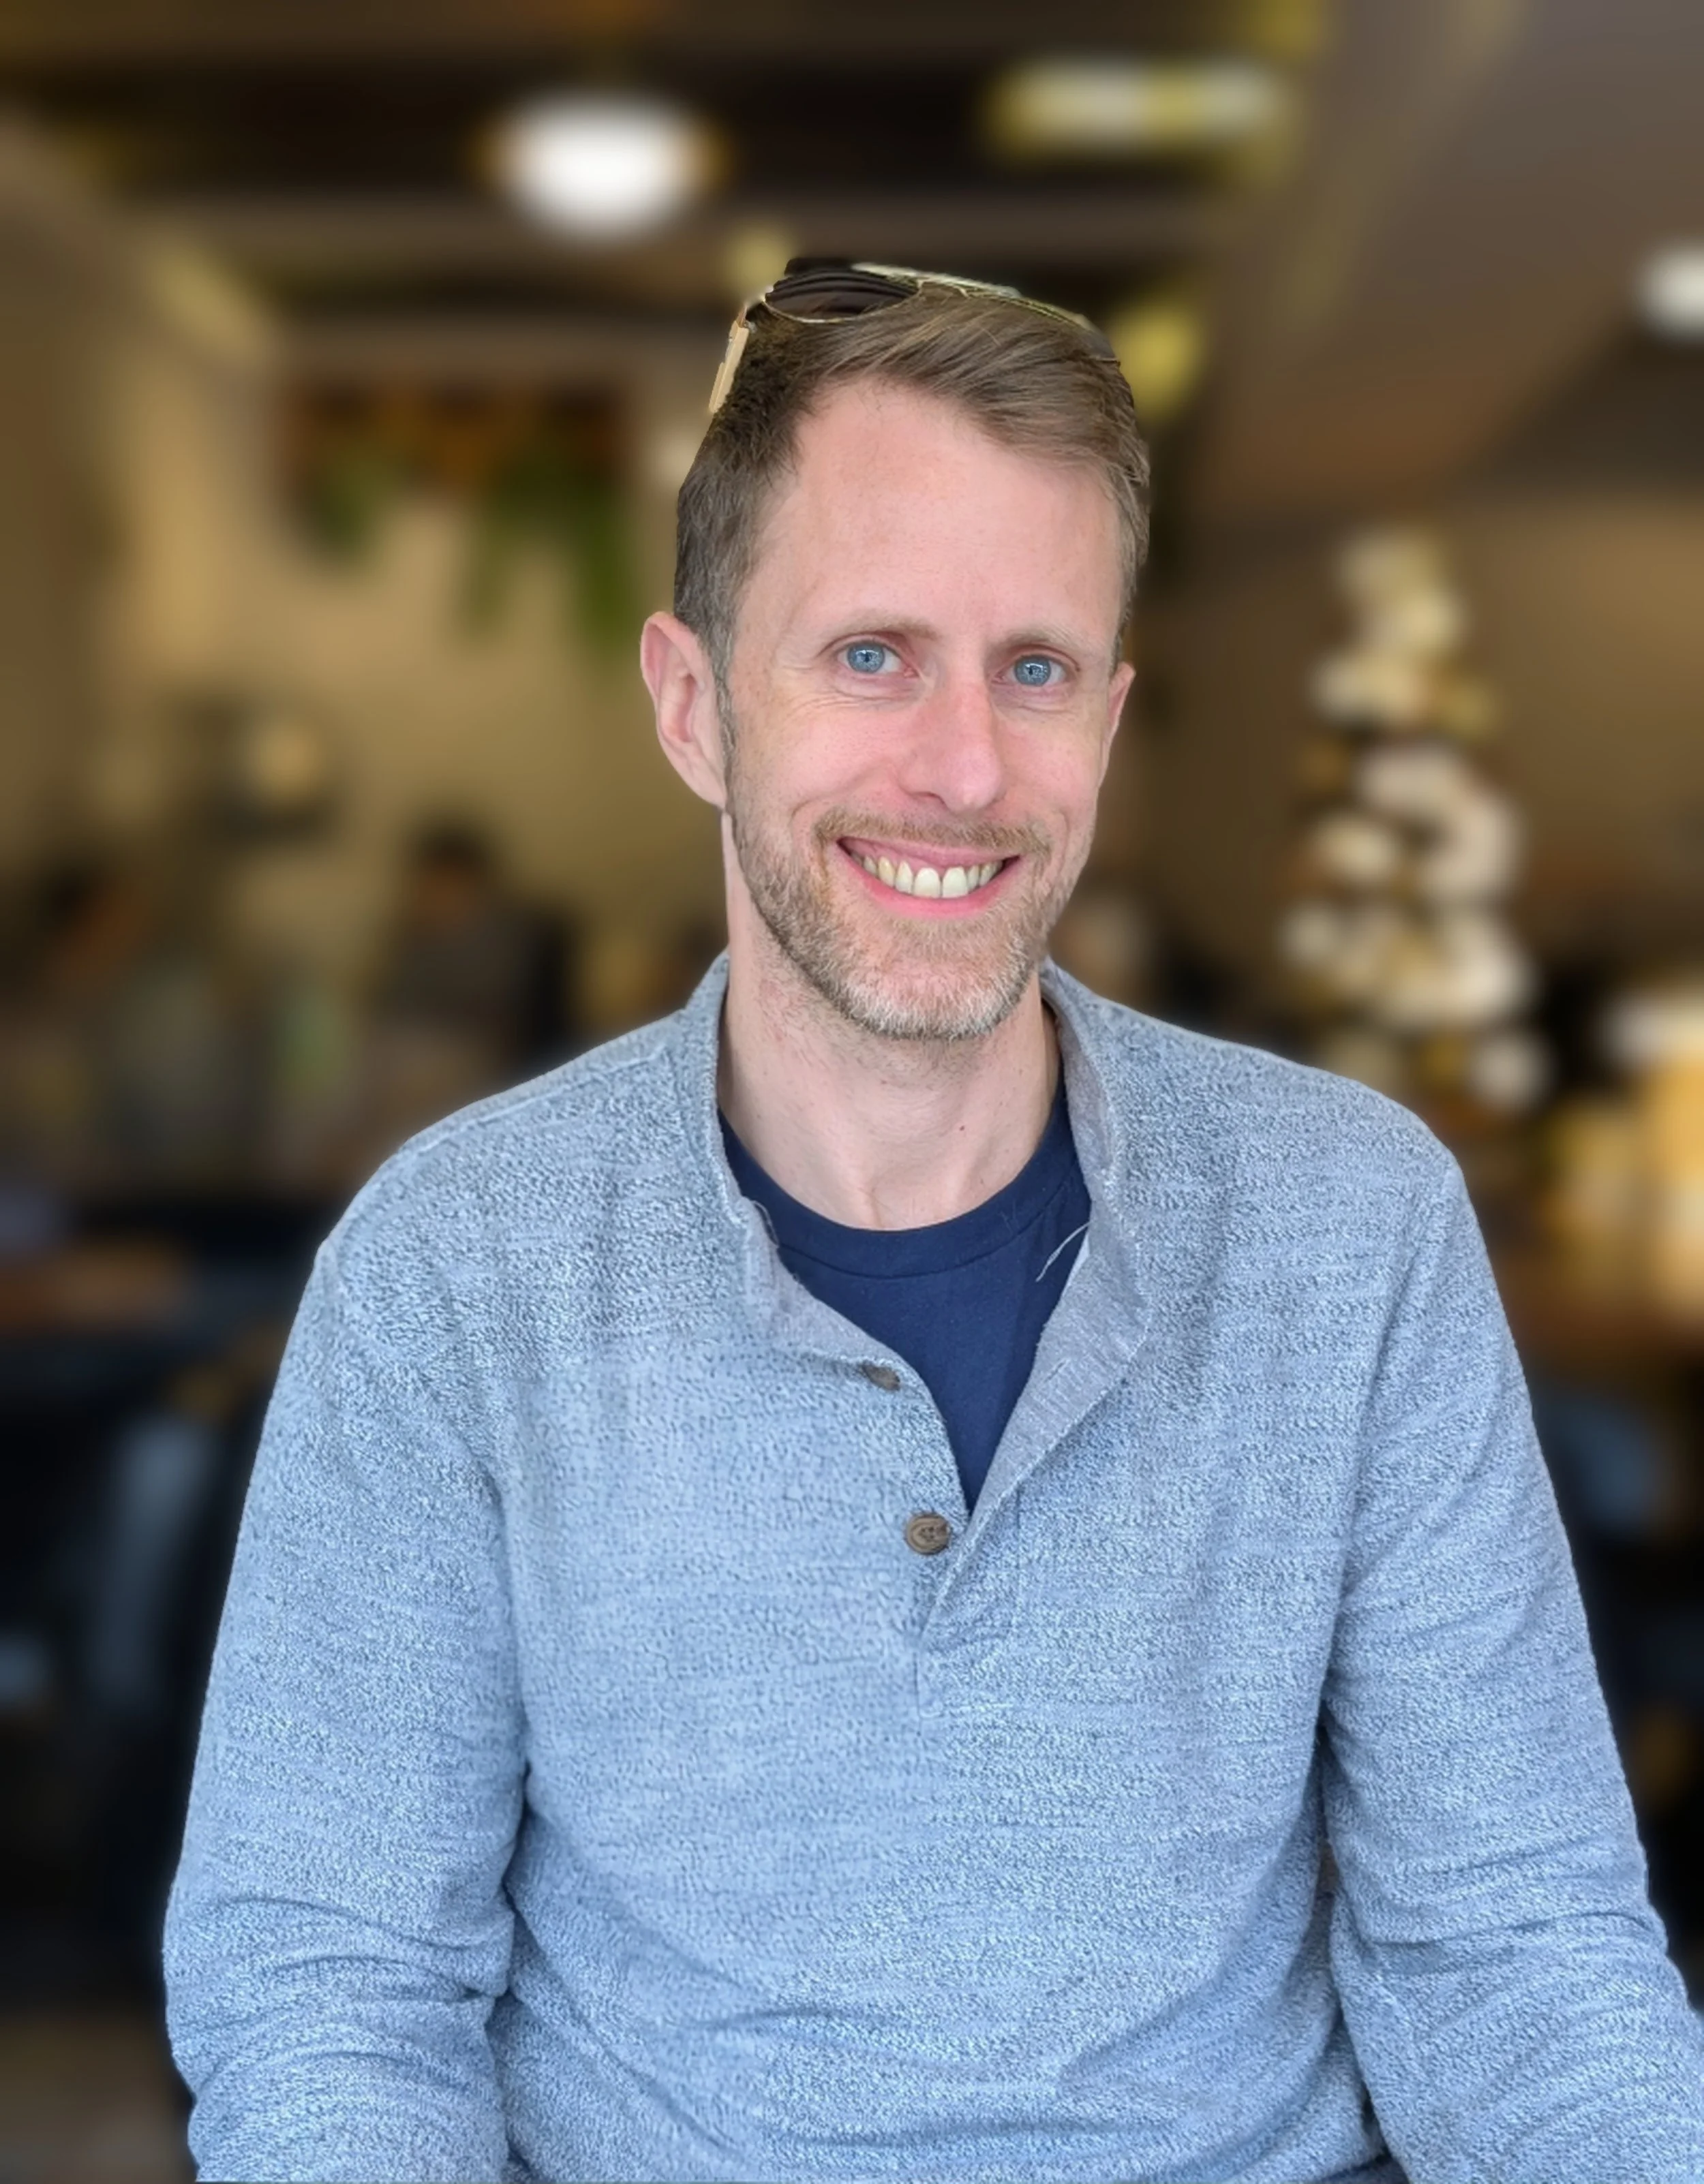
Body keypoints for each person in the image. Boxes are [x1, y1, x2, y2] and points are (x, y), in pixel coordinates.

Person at [163, 264, 1704, 2183]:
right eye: (873, 653)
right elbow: (333, 1991)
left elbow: (1512, 1951)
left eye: (1034, 667)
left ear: (1109, 715)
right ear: (691, 700)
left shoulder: (1353, 1223)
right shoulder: (453, 1268)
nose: (966, 767)